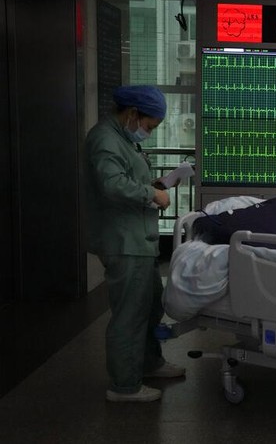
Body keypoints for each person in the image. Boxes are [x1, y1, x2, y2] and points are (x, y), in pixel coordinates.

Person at [85, 85, 185, 402]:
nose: (149, 132)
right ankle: (124, 386)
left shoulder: (124, 139)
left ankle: (148, 363)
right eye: (149, 126)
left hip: (139, 240)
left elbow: (127, 177)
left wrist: (157, 184)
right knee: (130, 314)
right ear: (132, 114)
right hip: (124, 241)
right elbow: (112, 184)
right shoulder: (105, 139)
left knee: (150, 305)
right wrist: (152, 194)